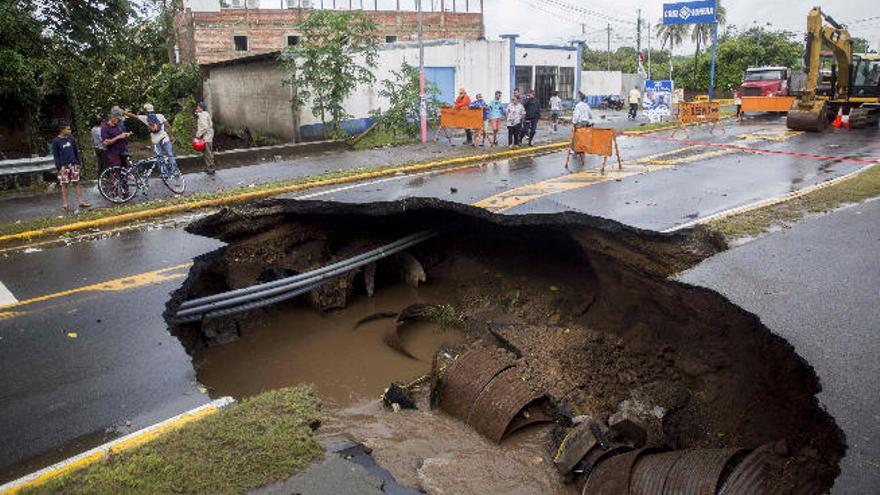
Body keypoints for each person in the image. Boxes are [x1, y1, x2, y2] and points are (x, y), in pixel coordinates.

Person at [123, 103, 178, 173]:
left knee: (159, 157)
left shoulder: (145, 118)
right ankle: (175, 172)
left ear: (146, 111)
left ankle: (164, 174)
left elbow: (133, 116)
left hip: (155, 141)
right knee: (170, 154)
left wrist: (124, 112)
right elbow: (168, 126)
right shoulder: (160, 116)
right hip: (165, 139)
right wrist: (171, 136)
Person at [51, 123, 91, 214]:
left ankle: (81, 201)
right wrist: (59, 167)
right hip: (63, 166)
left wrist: (78, 162)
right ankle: (65, 203)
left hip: (73, 164)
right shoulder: (56, 141)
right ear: (62, 130)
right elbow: (56, 156)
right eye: (68, 129)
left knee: (76, 183)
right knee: (64, 184)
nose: (70, 131)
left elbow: (76, 151)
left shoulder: (71, 139)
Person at [195, 101, 215, 175]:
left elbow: (205, 127)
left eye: (198, 107)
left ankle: (211, 168)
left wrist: (198, 135)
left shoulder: (202, 115)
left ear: (201, 108)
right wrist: (197, 113)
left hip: (206, 137)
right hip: (208, 136)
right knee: (207, 152)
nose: (197, 108)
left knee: (208, 153)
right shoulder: (205, 114)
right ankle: (209, 167)